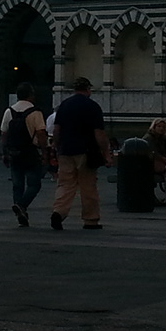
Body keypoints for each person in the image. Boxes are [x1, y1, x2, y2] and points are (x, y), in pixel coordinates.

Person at [47, 77, 111, 231]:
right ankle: (90, 219)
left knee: (65, 184)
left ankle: (59, 212)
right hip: (86, 151)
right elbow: (99, 134)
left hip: (65, 150)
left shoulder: (64, 105)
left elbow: (56, 130)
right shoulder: (92, 107)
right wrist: (106, 153)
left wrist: (57, 145)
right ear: (88, 89)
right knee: (88, 186)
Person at [0, 84, 48, 226]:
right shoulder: (35, 112)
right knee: (34, 184)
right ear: (30, 95)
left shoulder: (9, 111)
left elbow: (3, 134)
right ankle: (22, 205)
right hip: (30, 152)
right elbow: (41, 134)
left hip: (14, 152)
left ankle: (21, 212)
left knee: (17, 184)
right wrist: (44, 152)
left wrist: (4, 153)